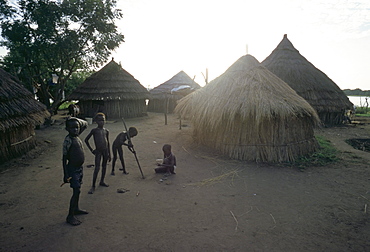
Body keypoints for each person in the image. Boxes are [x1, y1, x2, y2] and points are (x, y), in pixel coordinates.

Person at [62, 117, 88, 226]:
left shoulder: (77, 137)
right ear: (67, 129)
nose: (75, 130)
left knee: (78, 190)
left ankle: (76, 209)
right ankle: (70, 216)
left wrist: (73, 118)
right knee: (76, 191)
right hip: (72, 169)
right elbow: (64, 158)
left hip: (79, 169)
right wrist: (66, 174)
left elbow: (85, 124)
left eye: (77, 128)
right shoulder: (68, 140)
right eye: (72, 128)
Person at [85, 113, 111, 194]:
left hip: (105, 151)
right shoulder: (94, 131)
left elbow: (108, 142)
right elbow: (86, 140)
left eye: (103, 120)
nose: (101, 122)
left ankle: (102, 181)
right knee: (97, 168)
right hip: (98, 151)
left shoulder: (106, 131)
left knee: (104, 167)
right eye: (99, 120)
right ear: (96, 121)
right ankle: (93, 186)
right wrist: (92, 150)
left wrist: (110, 153)